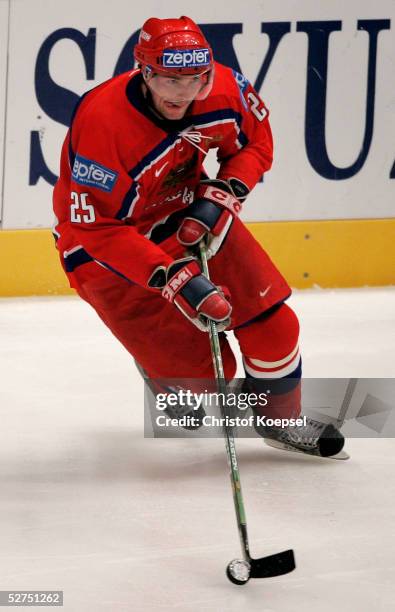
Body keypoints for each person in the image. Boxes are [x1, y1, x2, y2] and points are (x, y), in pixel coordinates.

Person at [53, 16, 344, 457]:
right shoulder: (103, 121)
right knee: (209, 380)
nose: (185, 93)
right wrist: (174, 278)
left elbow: (255, 143)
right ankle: (165, 378)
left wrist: (223, 192)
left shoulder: (224, 88)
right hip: (105, 251)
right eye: (171, 79)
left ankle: (280, 421)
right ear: (145, 71)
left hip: (188, 216)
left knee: (277, 329)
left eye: (195, 78)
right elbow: (94, 226)